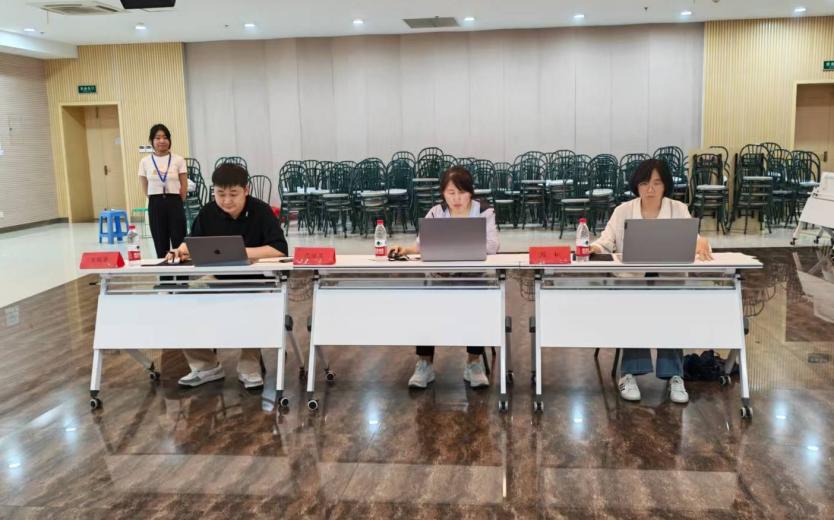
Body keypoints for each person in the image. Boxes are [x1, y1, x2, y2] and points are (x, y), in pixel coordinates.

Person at [590, 158, 713, 404]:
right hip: (631, 283)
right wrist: (594, 247)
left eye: (657, 183)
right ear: (637, 185)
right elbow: (605, 241)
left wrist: (700, 241)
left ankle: (675, 375)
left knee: (671, 309)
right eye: (645, 183)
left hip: (670, 282)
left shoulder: (678, 209)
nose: (650, 189)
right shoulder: (623, 210)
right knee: (634, 306)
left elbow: (696, 240)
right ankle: (629, 374)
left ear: (665, 185)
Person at [167, 163, 288, 389]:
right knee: (178, 301)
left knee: (255, 306)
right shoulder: (208, 212)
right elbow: (192, 241)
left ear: (246, 190)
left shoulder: (261, 211)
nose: (226, 200)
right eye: (220, 194)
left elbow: (280, 249)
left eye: (233, 194)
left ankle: (249, 367)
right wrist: (179, 250)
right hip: (218, 279)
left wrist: (241, 252)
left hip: (257, 281)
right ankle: (206, 366)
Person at [389, 166, 500, 389]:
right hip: (440, 280)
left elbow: (492, 246)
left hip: (473, 279)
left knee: (478, 304)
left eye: (462, 192)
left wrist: (456, 242)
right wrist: (406, 250)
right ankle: (425, 364)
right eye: (451, 193)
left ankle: (474, 363)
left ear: (471, 192)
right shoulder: (436, 212)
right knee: (424, 304)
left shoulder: (484, 212)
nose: (457, 199)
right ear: (443, 193)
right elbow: (422, 244)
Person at [138, 124, 188, 260]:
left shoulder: (178, 159)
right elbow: (144, 185)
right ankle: (164, 272)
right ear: (152, 141)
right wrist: (155, 198)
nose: (162, 141)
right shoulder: (145, 161)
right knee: (160, 241)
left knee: (179, 239)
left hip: (175, 202)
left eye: (165, 137)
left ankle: (182, 272)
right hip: (156, 203)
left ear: (169, 140)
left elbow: (184, 184)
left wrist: (179, 199)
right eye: (158, 138)